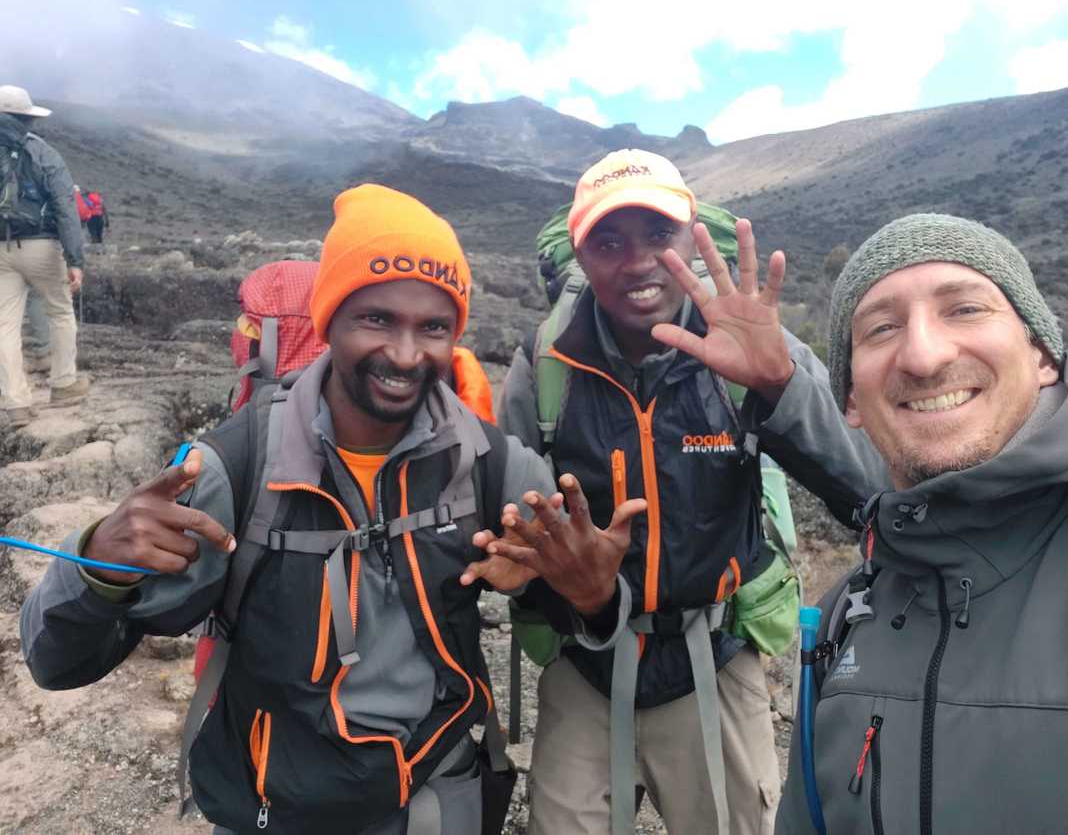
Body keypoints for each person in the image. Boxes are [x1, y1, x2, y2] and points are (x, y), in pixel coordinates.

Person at [21, 184, 646, 835]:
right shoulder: (237, 468)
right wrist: (96, 566)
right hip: (275, 809)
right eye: (377, 318)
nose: (406, 355)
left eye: (433, 326)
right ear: (329, 321)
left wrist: (596, 596)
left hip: (437, 800)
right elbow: (58, 664)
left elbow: (581, 619)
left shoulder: (494, 465)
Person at [499, 150, 886, 835]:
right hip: (584, 667)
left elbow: (867, 492)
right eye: (610, 241)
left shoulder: (748, 341)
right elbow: (513, 522)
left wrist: (779, 386)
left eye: (659, 235)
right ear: (581, 257)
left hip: (716, 658)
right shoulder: (546, 365)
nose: (638, 261)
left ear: (689, 239)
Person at [776, 213, 1068, 833]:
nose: (924, 355)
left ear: (1041, 353)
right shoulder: (848, 616)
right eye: (881, 328)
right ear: (849, 398)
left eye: (965, 309)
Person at [0, 85, 89, 424]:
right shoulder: (44, 153)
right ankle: (64, 383)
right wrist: (75, 260)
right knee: (60, 311)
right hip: (41, 246)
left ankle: (15, 402)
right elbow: (66, 208)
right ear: (26, 117)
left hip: (0, 249)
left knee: (5, 325)